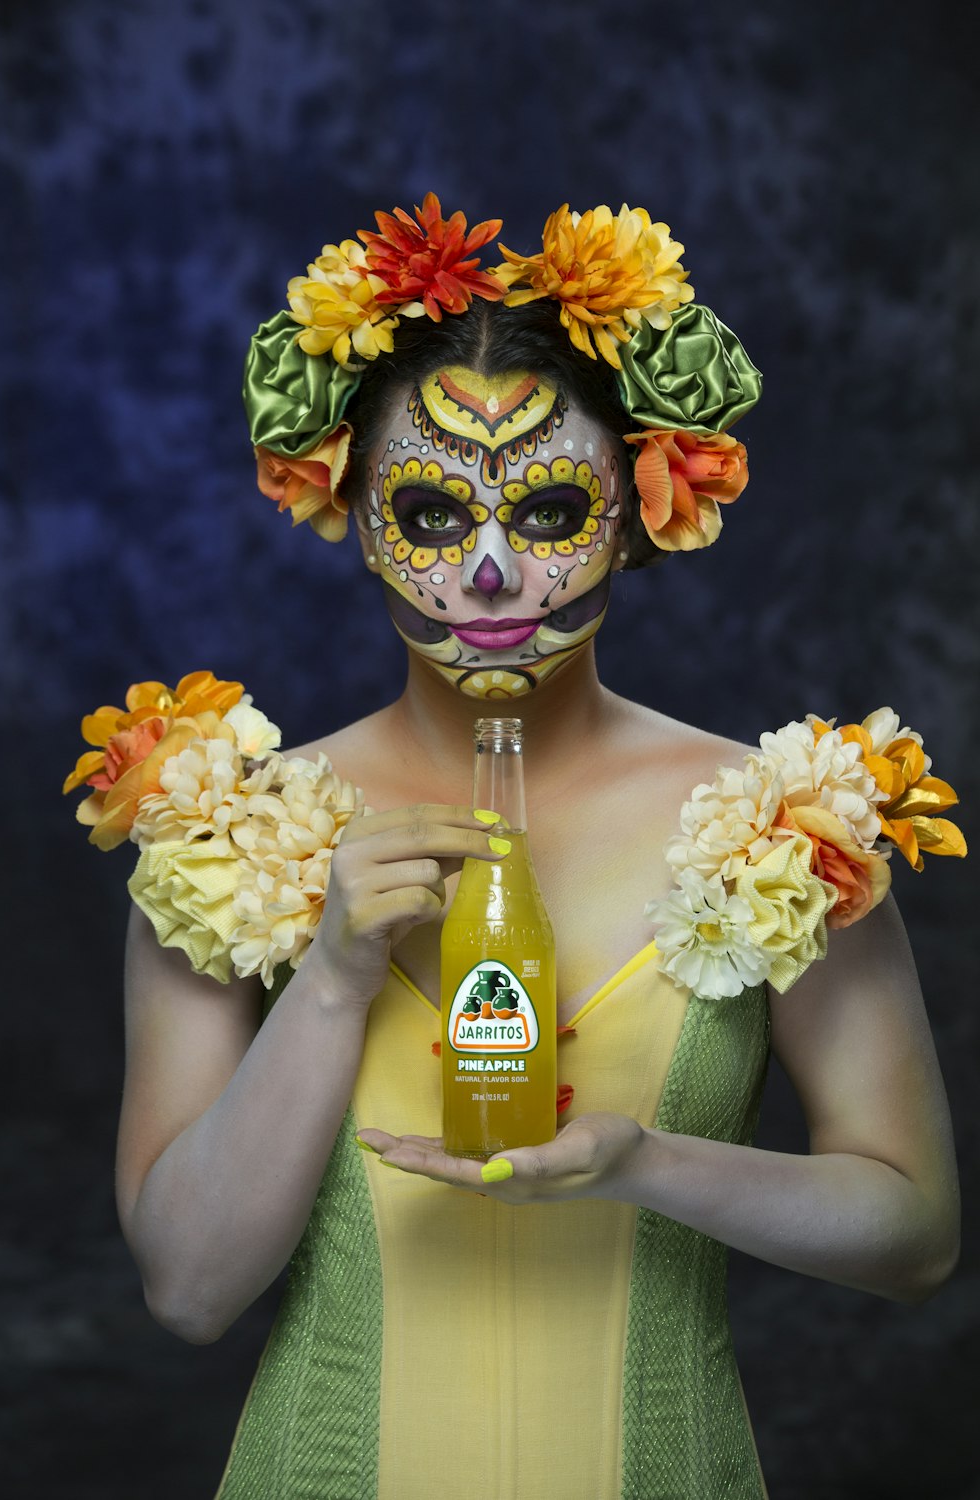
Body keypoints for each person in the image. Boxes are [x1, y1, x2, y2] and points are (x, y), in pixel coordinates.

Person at [65, 197, 963, 1499]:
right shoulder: (223, 827)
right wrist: (326, 981)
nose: (486, 574)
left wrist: (649, 1166)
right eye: (430, 515)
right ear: (348, 506)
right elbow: (191, 1289)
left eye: (547, 513)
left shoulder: (792, 822)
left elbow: (917, 1238)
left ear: (647, 506)